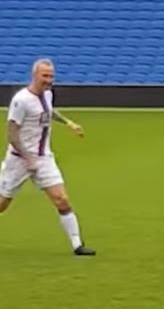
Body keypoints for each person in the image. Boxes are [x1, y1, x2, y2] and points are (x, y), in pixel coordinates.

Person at [1, 59, 95, 256]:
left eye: (51, 76)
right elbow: (12, 135)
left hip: (44, 158)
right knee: (2, 204)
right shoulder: (21, 100)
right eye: (45, 76)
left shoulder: (48, 94)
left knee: (62, 199)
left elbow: (48, 112)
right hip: (19, 160)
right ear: (34, 75)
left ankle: (77, 245)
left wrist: (68, 123)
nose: (49, 80)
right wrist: (28, 159)